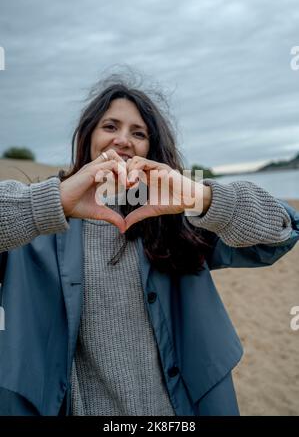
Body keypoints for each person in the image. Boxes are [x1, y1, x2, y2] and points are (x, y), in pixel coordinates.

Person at [0, 77, 298, 416]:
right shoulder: (34, 225)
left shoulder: (176, 221)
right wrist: (45, 206)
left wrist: (201, 198)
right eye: (110, 126)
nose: (123, 140)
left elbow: (282, 231)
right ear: (87, 137)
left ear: (150, 149)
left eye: (138, 133)